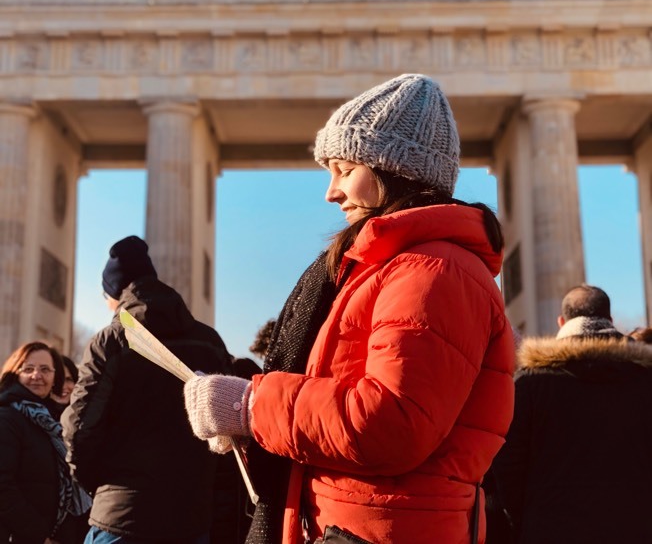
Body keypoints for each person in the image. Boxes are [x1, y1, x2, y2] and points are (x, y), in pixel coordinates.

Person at [183, 73, 516, 544]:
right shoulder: (388, 267)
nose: (330, 192)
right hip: (355, 525)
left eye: (343, 169)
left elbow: (391, 423)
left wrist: (252, 405)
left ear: (393, 169)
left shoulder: (435, 271)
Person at [62, 235, 239, 544]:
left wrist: (101, 486)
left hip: (122, 517)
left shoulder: (111, 340)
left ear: (114, 293)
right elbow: (227, 430)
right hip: (192, 517)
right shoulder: (210, 341)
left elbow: (79, 428)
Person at [492, 284, 652, 543]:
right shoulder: (645, 379)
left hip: (551, 529)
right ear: (610, 320)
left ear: (562, 321)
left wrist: (529, 518)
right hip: (637, 527)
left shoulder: (529, 384)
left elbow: (508, 465)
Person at [0, 341, 91, 544]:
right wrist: (39, 536)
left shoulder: (48, 422)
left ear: (54, 377)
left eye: (45, 370)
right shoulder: (7, 417)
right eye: (28, 369)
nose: (37, 376)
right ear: (15, 373)